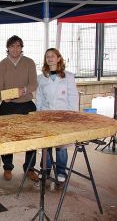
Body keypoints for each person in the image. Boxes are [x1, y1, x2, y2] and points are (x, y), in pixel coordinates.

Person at [0, 35, 39, 182]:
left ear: (21, 48)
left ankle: (30, 168)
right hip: (8, 106)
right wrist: (3, 97)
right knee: (7, 138)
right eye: (12, 46)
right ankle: (8, 168)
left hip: (27, 104)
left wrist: (24, 90)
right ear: (7, 48)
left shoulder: (29, 63)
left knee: (31, 137)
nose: (15, 49)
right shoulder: (1, 65)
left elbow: (34, 84)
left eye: (18, 46)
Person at [36, 48, 79, 183]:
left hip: (63, 116)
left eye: (52, 56)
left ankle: (61, 171)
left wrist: (73, 115)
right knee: (46, 145)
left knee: (61, 146)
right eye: (47, 56)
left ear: (59, 58)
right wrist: (38, 114)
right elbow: (39, 98)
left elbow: (73, 97)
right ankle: (46, 170)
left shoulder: (68, 77)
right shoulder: (41, 78)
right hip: (46, 115)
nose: (50, 58)